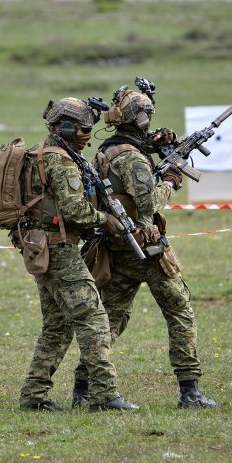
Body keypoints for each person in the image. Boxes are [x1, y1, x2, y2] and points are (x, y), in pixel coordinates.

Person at [72, 83, 217, 409]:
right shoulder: (133, 158)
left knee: (110, 321)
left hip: (119, 246)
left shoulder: (108, 149)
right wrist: (170, 180)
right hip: (146, 248)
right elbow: (148, 199)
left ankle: (82, 388)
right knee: (180, 311)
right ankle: (190, 391)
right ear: (140, 117)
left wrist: (154, 150)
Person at [17, 97, 139, 412]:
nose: (88, 133)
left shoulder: (42, 154)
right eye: (84, 128)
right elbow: (75, 211)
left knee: (57, 325)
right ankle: (103, 395)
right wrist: (106, 220)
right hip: (59, 250)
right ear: (67, 128)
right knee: (93, 318)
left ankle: (34, 396)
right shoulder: (60, 160)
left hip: (41, 247)